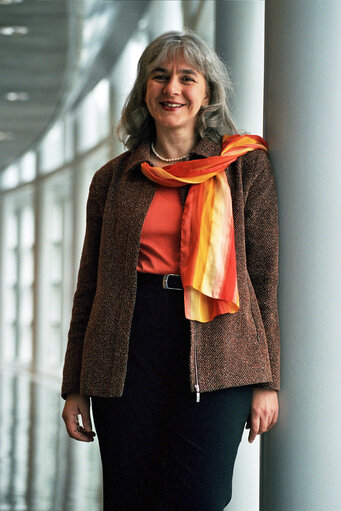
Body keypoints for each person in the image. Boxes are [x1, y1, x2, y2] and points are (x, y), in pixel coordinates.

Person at [61, 30, 280, 511]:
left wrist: (267, 380)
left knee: (200, 496)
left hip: (220, 346)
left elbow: (264, 279)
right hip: (127, 345)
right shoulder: (113, 178)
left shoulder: (243, 167)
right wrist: (75, 385)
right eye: (159, 77)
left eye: (187, 77)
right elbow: (89, 288)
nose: (172, 89)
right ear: (145, 89)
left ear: (208, 93)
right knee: (129, 494)